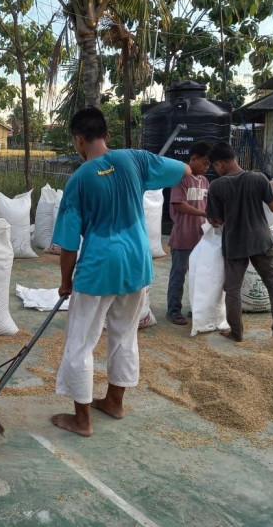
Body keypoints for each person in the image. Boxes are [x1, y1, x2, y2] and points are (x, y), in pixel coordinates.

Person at [51, 107, 190, 437]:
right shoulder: (136, 159)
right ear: (107, 135)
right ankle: (114, 402)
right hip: (136, 263)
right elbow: (183, 169)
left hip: (99, 267)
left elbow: (69, 244)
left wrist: (65, 283)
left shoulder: (80, 179)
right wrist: (136, 171)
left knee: (80, 341)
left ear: (78, 140)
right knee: (125, 335)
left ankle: (81, 419)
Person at [204, 142, 273, 349]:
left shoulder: (217, 186)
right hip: (261, 241)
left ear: (219, 164)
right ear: (234, 157)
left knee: (233, 289)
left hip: (234, 244)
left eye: (214, 166)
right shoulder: (258, 178)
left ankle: (236, 332)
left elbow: (214, 220)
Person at [166, 141, 211, 325]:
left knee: (199, 275)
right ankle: (173, 310)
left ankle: (196, 307)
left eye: (209, 164)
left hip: (201, 237)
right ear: (193, 159)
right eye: (205, 163)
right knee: (179, 274)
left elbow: (207, 205)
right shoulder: (181, 179)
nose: (207, 167)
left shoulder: (205, 181)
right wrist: (203, 213)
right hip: (183, 237)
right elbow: (179, 203)